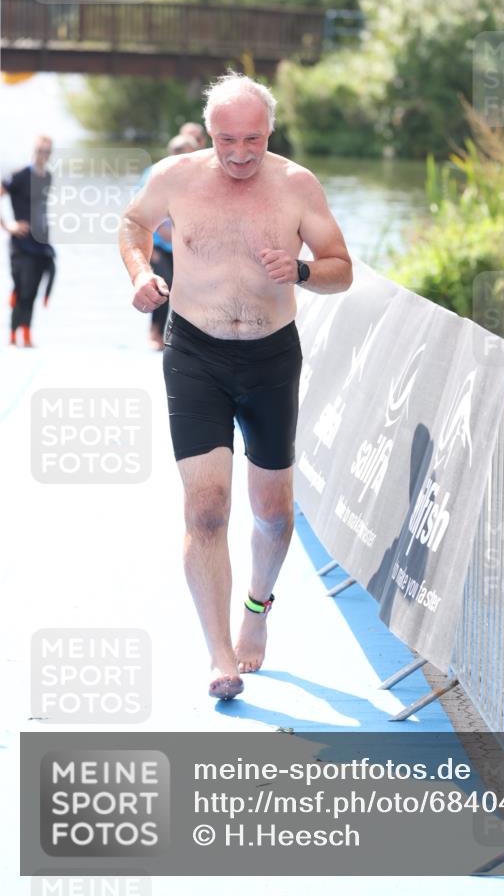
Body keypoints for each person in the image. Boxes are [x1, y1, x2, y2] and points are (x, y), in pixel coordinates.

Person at [119, 73, 353, 701]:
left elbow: (341, 270)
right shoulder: (176, 176)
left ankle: (257, 606)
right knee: (206, 508)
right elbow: (133, 223)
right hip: (195, 354)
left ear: (270, 131)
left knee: (273, 514)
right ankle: (219, 654)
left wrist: (301, 270)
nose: (241, 153)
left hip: (271, 358)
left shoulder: (297, 185)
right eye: (227, 139)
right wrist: (139, 273)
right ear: (209, 132)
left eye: (253, 139)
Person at [0, 135, 56, 347]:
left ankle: (26, 335)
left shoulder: (47, 176)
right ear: (33, 151)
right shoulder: (19, 176)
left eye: (47, 151)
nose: (43, 155)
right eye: (40, 150)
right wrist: (8, 226)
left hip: (40, 243)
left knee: (33, 290)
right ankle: (12, 336)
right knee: (22, 288)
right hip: (21, 243)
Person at [144, 134, 198, 350]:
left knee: (188, 290)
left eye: (190, 156)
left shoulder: (199, 178)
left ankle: (180, 337)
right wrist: (149, 248)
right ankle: (155, 333)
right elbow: (138, 215)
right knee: (163, 285)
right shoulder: (154, 176)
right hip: (158, 246)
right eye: (181, 156)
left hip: (186, 248)